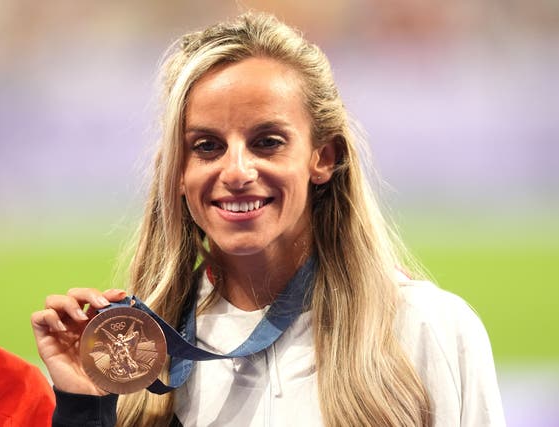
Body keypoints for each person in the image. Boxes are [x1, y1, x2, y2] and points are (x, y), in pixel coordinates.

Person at [31, 12, 506, 427]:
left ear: (323, 157)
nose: (236, 172)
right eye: (207, 147)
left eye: (267, 141)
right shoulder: (137, 354)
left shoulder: (427, 328)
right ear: (178, 172)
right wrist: (84, 408)